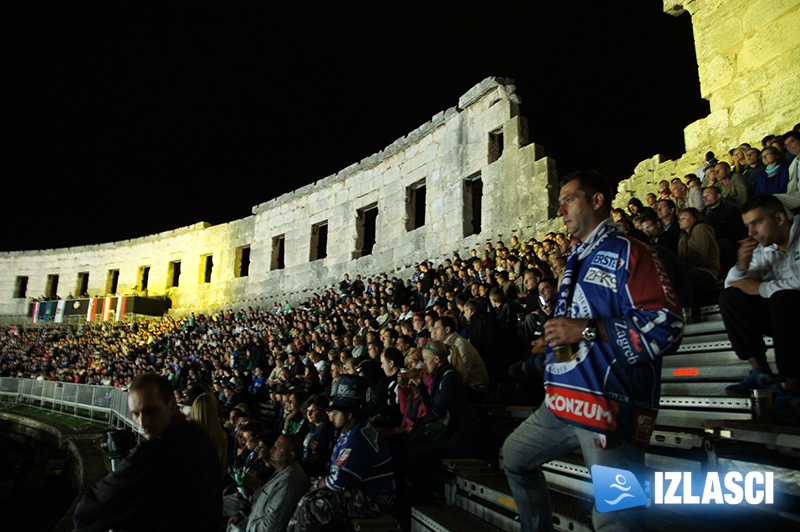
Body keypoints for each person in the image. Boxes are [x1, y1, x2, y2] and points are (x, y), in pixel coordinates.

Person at [502, 170, 683, 532]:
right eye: (559, 203)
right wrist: (557, 346)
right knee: (514, 458)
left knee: (619, 515)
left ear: (597, 201)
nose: (561, 209)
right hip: (561, 402)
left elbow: (667, 325)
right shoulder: (575, 259)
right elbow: (580, 331)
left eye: (569, 199)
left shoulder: (631, 251)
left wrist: (583, 330)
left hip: (609, 407)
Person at [73, 373, 221, 531]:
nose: (143, 422)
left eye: (151, 412)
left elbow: (87, 513)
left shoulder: (153, 455)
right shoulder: (198, 435)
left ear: (172, 404)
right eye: (136, 414)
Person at [718, 195, 800, 423]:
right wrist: (742, 265)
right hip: (784, 318)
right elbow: (732, 284)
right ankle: (761, 372)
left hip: (792, 311)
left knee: (782, 298)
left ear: (780, 218)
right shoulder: (764, 247)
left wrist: (762, 288)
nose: (751, 232)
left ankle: (793, 388)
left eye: (756, 223)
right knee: (730, 298)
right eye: (747, 226)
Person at [287, 375, 395, 532]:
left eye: (335, 412)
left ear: (349, 415)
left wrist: (319, 484)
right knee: (307, 495)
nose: (331, 416)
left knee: (311, 505)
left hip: (374, 499)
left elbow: (340, 481)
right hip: (362, 492)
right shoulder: (353, 430)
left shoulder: (356, 437)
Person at [402, 340, 478, 503]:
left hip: (459, 437)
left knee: (414, 453)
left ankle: (425, 497)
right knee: (408, 447)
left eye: (426, 359)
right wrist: (419, 385)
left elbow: (438, 412)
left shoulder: (449, 377)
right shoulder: (440, 375)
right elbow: (432, 408)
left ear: (436, 360)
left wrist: (418, 425)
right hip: (450, 434)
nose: (424, 363)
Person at [227, 434, 309, 532]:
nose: (271, 450)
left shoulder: (287, 482)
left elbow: (272, 526)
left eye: (277, 448)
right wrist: (244, 515)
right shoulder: (282, 471)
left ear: (290, 455)